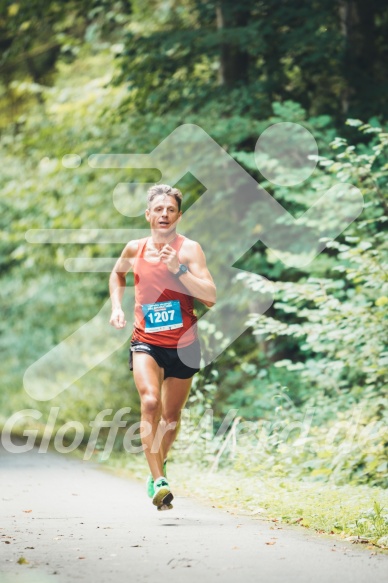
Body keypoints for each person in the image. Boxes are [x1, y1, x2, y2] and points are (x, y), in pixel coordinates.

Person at [109, 184, 216, 510]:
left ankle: (160, 463)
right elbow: (117, 276)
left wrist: (178, 270)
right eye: (158, 209)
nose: (164, 215)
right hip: (146, 341)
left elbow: (209, 296)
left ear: (178, 215)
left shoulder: (189, 250)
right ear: (148, 214)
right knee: (151, 402)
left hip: (184, 345)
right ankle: (159, 482)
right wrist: (117, 306)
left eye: (170, 210)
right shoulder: (134, 248)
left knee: (171, 416)